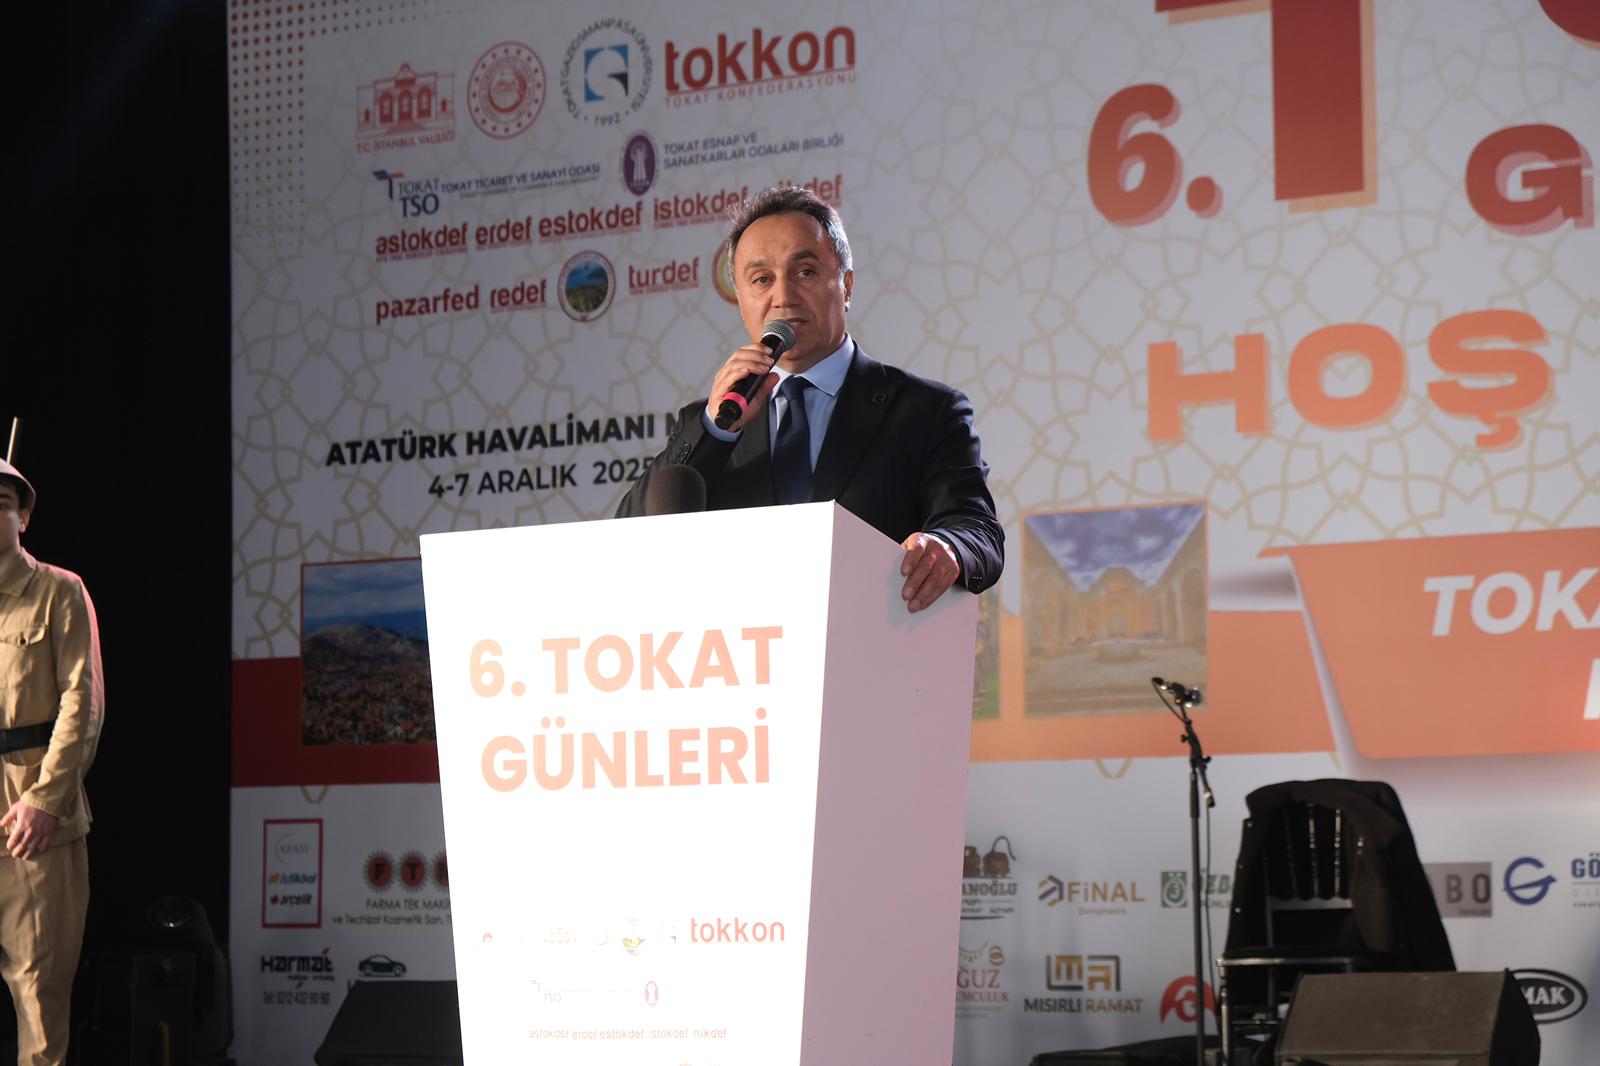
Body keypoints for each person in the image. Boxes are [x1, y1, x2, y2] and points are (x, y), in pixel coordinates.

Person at [617, 185, 1004, 610]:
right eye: (762, 279)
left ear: (847, 286)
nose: (783, 297)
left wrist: (948, 547)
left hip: (869, 640)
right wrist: (714, 429)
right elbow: (626, 539)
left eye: (804, 272)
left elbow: (976, 529)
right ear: (741, 304)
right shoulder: (709, 421)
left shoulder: (926, 411)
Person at [0, 458, 103, 1066]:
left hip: (30, 817)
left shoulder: (59, 591)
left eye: (1, 504)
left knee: (39, 994)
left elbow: (81, 702)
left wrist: (45, 800)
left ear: (24, 517)